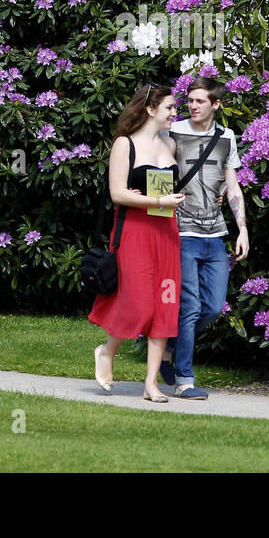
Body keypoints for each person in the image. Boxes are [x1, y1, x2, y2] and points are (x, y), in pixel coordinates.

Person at [90, 83, 187, 402]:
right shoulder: (124, 144)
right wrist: (158, 202)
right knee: (139, 303)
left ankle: (151, 385)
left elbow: (158, 193)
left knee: (165, 308)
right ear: (150, 109)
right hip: (134, 234)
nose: (175, 113)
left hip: (166, 234)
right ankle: (106, 350)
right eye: (170, 108)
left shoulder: (169, 145)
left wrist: (160, 201)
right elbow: (118, 194)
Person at [158, 77, 248, 399]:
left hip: (216, 234)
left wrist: (243, 229)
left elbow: (233, 186)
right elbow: (159, 172)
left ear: (216, 104)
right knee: (191, 307)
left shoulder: (227, 137)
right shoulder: (174, 132)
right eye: (190, 101)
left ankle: (167, 345)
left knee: (212, 306)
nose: (193, 106)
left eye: (200, 101)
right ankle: (184, 379)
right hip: (182, 233)